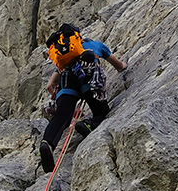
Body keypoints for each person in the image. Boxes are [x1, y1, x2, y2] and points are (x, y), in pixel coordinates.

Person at [38, 24, 127, 173]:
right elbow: (119, 65)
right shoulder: (94, 46)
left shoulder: (63, 57)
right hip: (88, 81)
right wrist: (124, 65)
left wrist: (57, 96)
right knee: (101, 112)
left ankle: (48, 144)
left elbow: (50, 85)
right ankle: (88, 124)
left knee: (62, 117)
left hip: (66, 83)